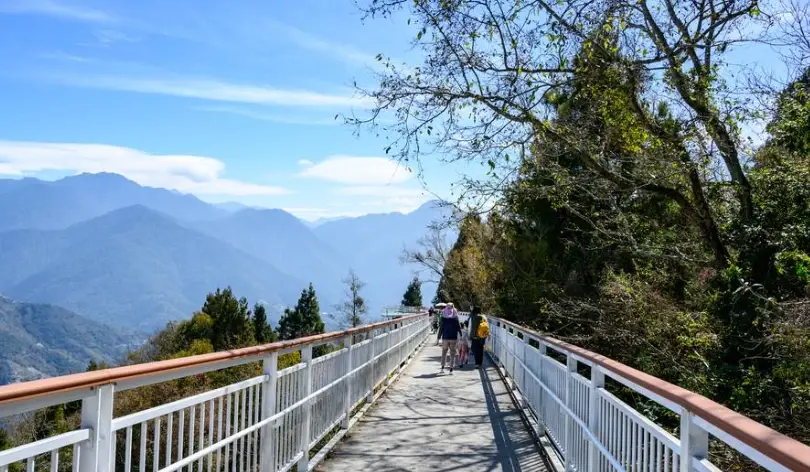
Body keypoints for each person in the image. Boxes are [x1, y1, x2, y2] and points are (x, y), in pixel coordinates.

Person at [439, 304, 461, 373]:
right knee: (452, 353)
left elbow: (441, 327)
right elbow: (458, 327)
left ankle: (442, 367)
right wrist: (461, 334)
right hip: (453, 338)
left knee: (444, 352)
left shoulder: (443, 318)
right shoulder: (455, 317)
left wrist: (438, 336)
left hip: (445, 337)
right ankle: (451, 368)